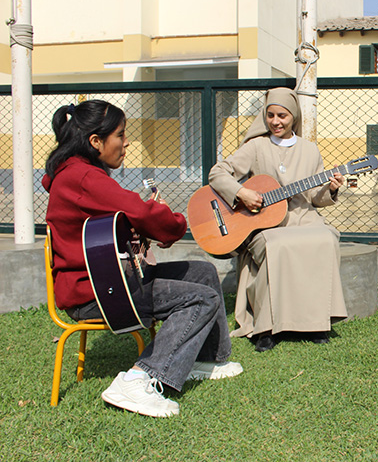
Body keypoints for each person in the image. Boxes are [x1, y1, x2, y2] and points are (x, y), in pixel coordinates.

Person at [43, 100, 242, 418]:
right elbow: (138, 210)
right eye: (120, 135)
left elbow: (120, 218)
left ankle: (207, 359)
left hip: (109, 280)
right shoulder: (83, 177)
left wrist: (147, 223)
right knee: (199, 299)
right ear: (96, 141)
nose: (126, 143)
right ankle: (140, 378)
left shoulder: (79, 173)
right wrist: (168, 220)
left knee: (203, 272)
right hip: (95, 293)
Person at [208, 87, 347, 352]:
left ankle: (316, 323)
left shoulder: (310, 150)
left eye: (282, 115)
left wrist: (330, 189)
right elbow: (218, 173)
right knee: (277, 247)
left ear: (293, 116)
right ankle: (267, 328)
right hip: (266, 224)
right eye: (270, 115)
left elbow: (315, 198)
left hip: (304, 218)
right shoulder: (256, 146)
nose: (276, 121)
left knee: (325, 239)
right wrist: (241, 192)